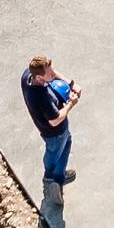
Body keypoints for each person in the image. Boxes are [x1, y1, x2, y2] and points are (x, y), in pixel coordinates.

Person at [20, 55, 77, 190]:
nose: (54, 74)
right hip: (55, 133)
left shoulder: (27, 76)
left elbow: (53, 73)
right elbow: (55, 120)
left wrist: (71, 83)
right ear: (39, 77)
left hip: (52, 131)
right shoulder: (41, 97)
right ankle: (52, 178)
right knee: (55, 151)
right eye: (50, 73)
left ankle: (57, 175)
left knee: (65, 143)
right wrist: (71, 104)